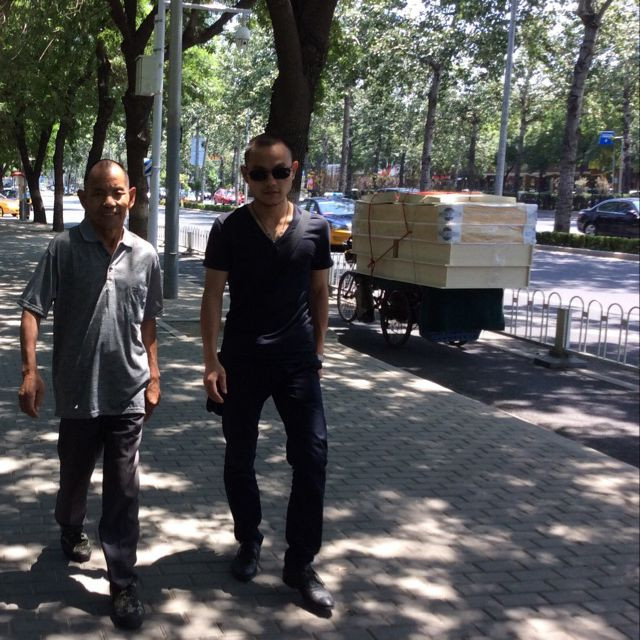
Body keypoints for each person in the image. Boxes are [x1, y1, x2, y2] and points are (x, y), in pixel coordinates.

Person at [17, 159, 163, 630]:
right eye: (99, 193)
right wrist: (30, 372)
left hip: (128, 390)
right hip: (78, 390)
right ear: (83, 198)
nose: (109, 201)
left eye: (117, 192)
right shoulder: (63, 249)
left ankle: (123, 581)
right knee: (74, 476)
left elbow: (148, 321)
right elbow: (32, 309)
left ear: (132, 197)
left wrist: (154, 375)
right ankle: (69, 524)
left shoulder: (146, 255)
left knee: (124, 488)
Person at [200, 133, 335, 610]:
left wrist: (317, 353)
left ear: (293, 171)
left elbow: (319, 293)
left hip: (297, 363)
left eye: (280, 172)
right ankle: (249, 540)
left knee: (312, 457)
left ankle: (300, 563)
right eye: (259, 174)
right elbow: (212, 296)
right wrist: (211, 360)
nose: (270, 182)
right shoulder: (228, 228)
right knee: (240, 457)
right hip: (241, 362)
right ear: (246, 176)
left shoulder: (316, 229)